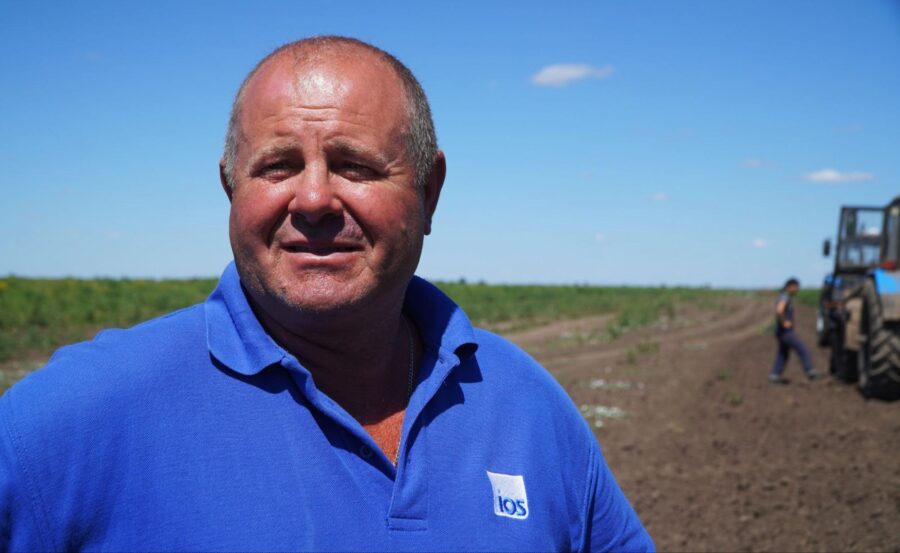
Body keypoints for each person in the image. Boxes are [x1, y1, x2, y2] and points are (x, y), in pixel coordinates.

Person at [0, 36, 653, 551]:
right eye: (278, 165)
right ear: (232, 188)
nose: (312, 199)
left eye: (356, 165)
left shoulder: (526, 406)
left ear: (430, 192)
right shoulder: (83, 415)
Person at [769, 277, 820, 384]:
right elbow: (779, 310)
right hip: (785, 332)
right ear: (790, 287)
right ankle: (810, 371)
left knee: (783, 354)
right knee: (802, 349)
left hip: (780, 331)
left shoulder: (784, 296)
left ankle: (774, 375)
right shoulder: (785, 297)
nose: (798, 290)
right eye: (796, 287)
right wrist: (784, 322)